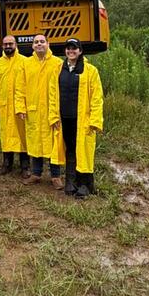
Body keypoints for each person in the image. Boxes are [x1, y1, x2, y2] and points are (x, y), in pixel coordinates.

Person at [48, 37, 104, 199]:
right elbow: (52, 95)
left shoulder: (90, 71)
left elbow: (96, 97)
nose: (71, 51)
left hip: (83, 120)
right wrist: (54, 117)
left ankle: (85, 184)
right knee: (70, 149)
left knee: (84, 150)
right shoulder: (59, 69)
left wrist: (95, 120)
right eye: (68, 48)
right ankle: (70, 181)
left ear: (80, 51)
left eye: (74, 48)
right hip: (65, 119)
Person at [15, 33, 63, 188]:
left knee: (53, 144)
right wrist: (21, 107)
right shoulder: (26, 64)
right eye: (36, 42)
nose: (39, 44)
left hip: (52, 111)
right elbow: (20, 87)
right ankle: (36, 174)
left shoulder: (58, 63)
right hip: (33, 111)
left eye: (42, 41)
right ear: (32, 46)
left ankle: (55, 176)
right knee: (35, 143)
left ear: (48, 44)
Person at [0, 35, 30, 177]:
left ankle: (25, 166)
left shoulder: (25, 62)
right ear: (2, 46)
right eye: (5, 44)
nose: (8, 46)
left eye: (11, 44)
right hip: (4, 106)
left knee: (22, 136)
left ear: (16, 45)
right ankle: (7, 164)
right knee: (6, 135)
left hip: (20, 107)